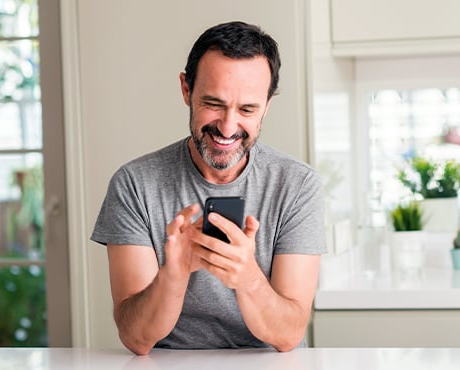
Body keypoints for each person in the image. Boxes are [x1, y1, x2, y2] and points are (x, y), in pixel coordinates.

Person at [91, 20, 326, 355]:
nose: (228, 127)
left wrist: (247, 277)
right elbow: (135, 337)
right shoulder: (134, 185)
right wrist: (175, 272)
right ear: (187, 90)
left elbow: (288, 335)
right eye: (213, 103)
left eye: (247, 109)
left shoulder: (298, 186)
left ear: (267, 105)